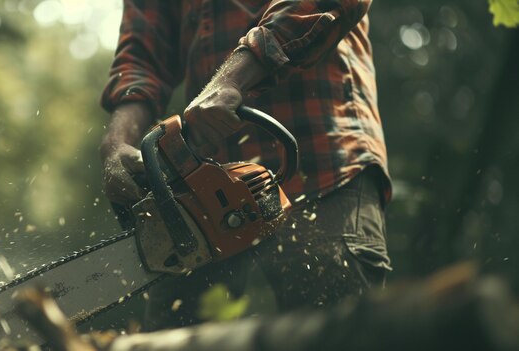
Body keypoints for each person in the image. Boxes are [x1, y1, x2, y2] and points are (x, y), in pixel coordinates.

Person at [100, 0, 392, 331]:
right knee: (173, 333)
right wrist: (116, 141)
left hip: (323, 165)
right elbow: (142, 55)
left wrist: (234, 77)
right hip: (203, 191)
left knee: (335, 335)